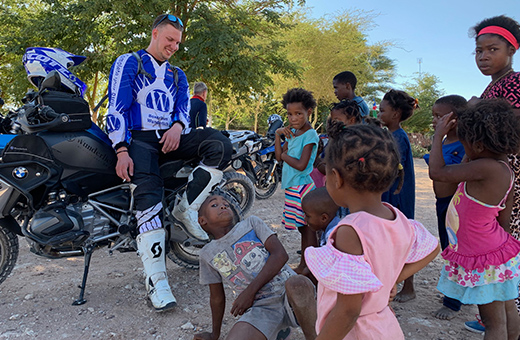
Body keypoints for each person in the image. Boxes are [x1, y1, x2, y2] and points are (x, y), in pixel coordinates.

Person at [105, 14, 232, 311]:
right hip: (139, 140)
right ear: (154, 34)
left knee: (220, 145)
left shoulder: (178, 75)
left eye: (177, 42)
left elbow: (183, 112)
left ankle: (185, 207)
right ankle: (157, 280)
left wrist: (177, 126)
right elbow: (116, 106)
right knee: (148, 194)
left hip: (171, 139)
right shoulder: (130, 62)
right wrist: (122, 150)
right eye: (169, 40)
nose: (174, 46)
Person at [305, 121, 440, 339]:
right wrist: (391, 280)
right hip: (384, 327)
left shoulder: (351, 230)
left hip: (357, 333)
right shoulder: (396, 218)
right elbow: (433, 247)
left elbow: (348, 311)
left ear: (336, 178)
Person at [430, 99, 520, 340]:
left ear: (478, 145)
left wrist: (438, 136)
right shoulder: (503, 169)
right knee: (507, 308)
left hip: (483, 257)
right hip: (496, 252)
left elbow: (437, 173)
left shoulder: (485, 168)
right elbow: (504, 217)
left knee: (493, 323)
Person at [193, 194, 317, 340]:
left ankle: (315, 337)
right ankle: (277, 331)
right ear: (202, 221)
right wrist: (215, 334)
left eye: (226, 203)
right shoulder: (207, 253)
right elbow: (216, 298)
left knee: (298, 283)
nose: (223, 206)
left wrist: (249, 292)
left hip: (290, 295)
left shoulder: (251, 223)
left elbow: (280, 255)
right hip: (261, 308)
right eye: (214, 205)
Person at [466, 14, 520, 333]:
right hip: (496, 181)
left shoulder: (514, 83)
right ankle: (495, 317)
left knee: (502, 249)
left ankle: (502, 322)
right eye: (479, 51)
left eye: (492, 49)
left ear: (511, 50)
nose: (484, 56)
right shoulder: (493, 87)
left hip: (507, 182)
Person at [423, 95, 467, 320]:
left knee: (456, 252)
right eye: (434, 117)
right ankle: (458, 294)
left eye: (440, 117)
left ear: (456, 119)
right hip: (441, 204)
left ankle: (453, 302)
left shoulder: (465, 145)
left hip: (456, 206)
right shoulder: (443, 141)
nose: (435, 121)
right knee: (448, 250)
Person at [378, 89, 417, 303]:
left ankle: (409, 286)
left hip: (397, 195)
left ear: (395, 113)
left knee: (401, 239)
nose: (379, 114)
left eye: (382, 111)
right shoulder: (390, 135)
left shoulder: (398, 137)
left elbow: (393, 166)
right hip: (390, 193)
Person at [274, 88, 319, 274]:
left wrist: (285, 156)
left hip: (303, 186)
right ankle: (305, 264)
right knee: (302, 228)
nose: (293, 119)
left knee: (309, 230)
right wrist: (277, 135)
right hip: (293, 187)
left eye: (298, 114)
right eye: (290, 114)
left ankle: (309, 266)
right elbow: (278, 157)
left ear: (308, 112)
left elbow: (301, 165)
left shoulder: (310, 135)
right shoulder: (292, 132)